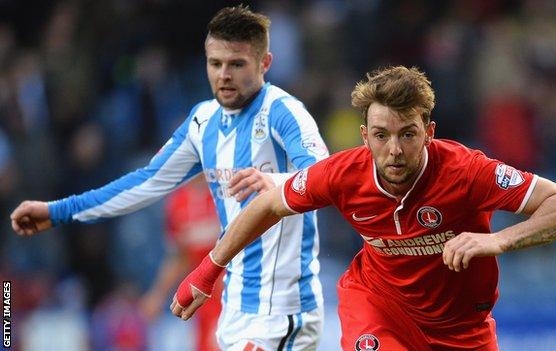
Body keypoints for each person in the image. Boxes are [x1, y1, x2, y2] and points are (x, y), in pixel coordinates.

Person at [170, 66, 556, 351]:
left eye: (407, 134)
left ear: (429, 133)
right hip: (379, 306)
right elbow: (267, 204)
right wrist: (208, 271)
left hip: (463, 330)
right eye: (381, 135)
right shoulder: (341, 174)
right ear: (364, 136)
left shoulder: (468, 172)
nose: (394, 150)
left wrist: (497, 240)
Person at [10, 5, 328, 351]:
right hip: (231, 311)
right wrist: (58, 211)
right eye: (215, 63)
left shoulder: (285, 112)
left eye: (237, 64)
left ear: (265, 63)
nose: (223, 75)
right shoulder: (202, 122)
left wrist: (278, 182)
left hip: (281, 310)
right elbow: (142, 183)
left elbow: (324, 175)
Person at [140, 175, 223, 351]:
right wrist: (157, 295)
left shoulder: (224, 193)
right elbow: (178, 257)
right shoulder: (177, 202)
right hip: (201, 297)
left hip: (230, 290)